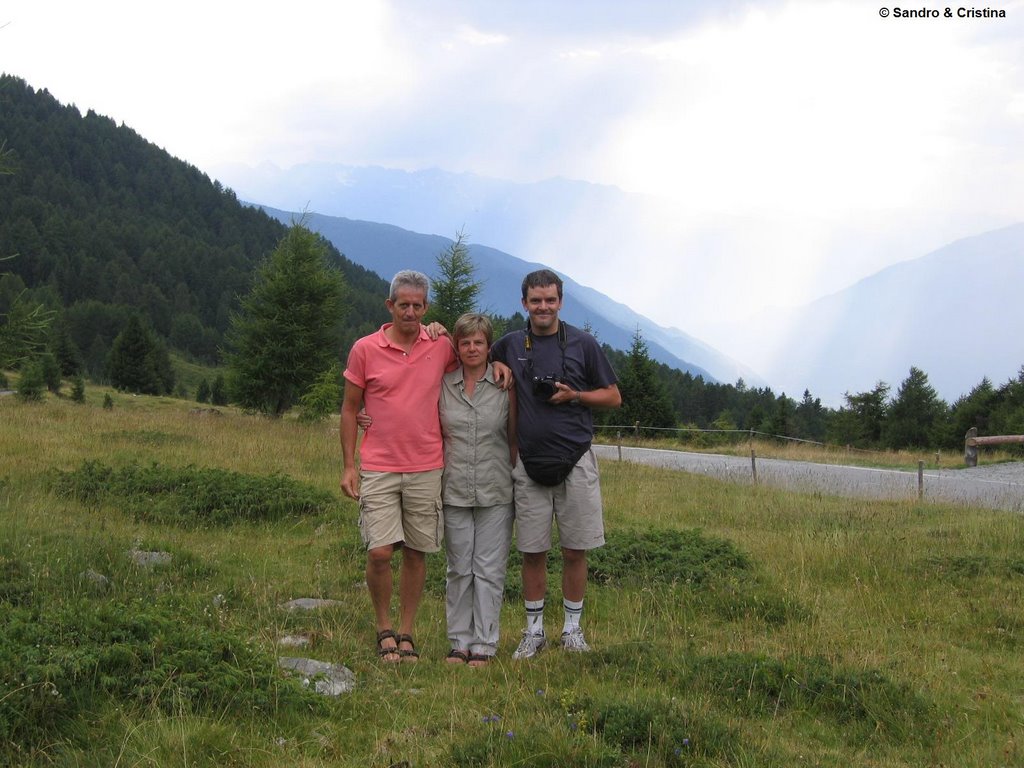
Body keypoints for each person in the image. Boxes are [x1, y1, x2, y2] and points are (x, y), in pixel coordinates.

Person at [490, 269, 621, 658]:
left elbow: (614, 397)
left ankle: (572, 630)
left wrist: (576, 396)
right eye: (536, 300)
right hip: (528, 462)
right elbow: (468, 349)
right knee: (532, 551)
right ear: (524, 303)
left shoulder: (584, 344)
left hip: (576, 458)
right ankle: (533, 632)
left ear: (561, 302)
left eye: (550, 300)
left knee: (574, 549)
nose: (543, 307)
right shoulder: (510, 344)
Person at [340, 270, 457, 664]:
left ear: (426, 308)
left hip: (427, 465)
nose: (410, 311)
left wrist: (503, 370)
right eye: (403, 304)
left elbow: (475, 362)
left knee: (417, 551)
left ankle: (407, 632)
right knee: (379, 552)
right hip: (379, 465)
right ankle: (382, 626)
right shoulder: (365, 349)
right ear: (389, 305)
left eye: (417, 305)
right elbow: (350, 407)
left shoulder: (442, 345)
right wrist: (347, 465)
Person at [439, 313, 518, 668]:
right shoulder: (442, 383)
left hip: (496, 488)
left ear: (489, 346)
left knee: (489, 569)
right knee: (459, 568)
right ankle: (459, 642)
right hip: (453, 487)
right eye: (465, 342)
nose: (472, 348)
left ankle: (485, 643)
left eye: (479, 342)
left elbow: (515, 434)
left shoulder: (504, 385)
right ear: (457, 345)